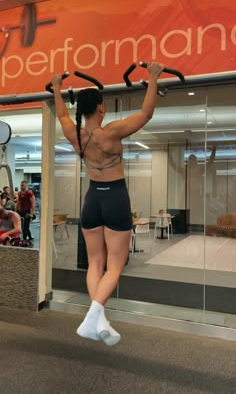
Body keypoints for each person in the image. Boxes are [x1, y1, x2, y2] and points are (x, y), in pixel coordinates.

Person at [51, 61, 164, 346]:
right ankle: (94, 316)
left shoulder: (73, 133)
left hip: (91, 199)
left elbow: (63, 113)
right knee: (115, 265)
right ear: (101, 108)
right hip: (114, 197)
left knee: (94, 264)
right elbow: (146, 113)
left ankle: (96, 319)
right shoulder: (111, 132)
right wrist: (152, 77)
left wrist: (56, 87)